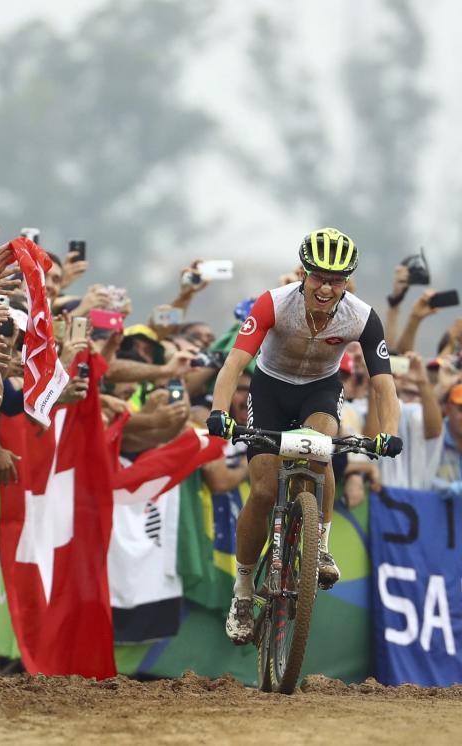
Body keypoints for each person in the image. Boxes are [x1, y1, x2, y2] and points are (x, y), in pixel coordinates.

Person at [206, 228, 403, 645]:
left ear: (347, 280)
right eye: (318, 277)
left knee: (321, 450)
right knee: (261, 491)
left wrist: (389, 434)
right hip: (271, 389)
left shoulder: (362, 317)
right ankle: (243, 590)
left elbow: (384, 384)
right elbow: (233, 365)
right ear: (304, 275)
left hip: (319, 391)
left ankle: (320, 548)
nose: (326, 288)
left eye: (336, 279)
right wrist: (219, 412)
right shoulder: (273, 304)